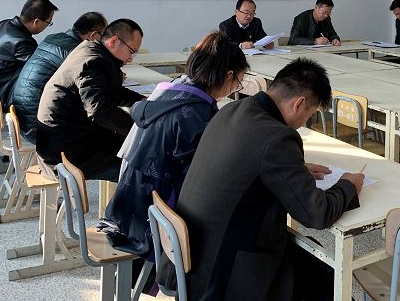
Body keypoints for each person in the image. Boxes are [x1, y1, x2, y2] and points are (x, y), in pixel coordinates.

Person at [160, 58, 362, 301]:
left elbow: (248, 163)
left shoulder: (232, 110)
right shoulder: (278, 137)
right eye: (309, 114)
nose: (304, 123)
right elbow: (317, 214)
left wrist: (294, 169)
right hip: (226, 276)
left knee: (312, 256)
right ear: (299, 104)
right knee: (327, 277)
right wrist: (348, 185)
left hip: (194, 263)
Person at [102, 31, 248, 257]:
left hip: (127, 208)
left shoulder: (172, 88)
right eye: (238, 82)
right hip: (154, 224)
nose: (235, 88)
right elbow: (203, 177)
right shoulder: (196, 113)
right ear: (228, 75)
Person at [35, 18, 145, 181]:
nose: (131, 58)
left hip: (66, 140)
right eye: (132, 52)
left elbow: (114, 92)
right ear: (114, 41)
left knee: (136, 144)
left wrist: (144, 101)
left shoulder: (91, 50)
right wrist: (139, 130)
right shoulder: (93, 61)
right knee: (146, 165)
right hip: (67, 156)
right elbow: (99, 110)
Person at [10, 12, 108, 143]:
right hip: (39, 128)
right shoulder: (76, 52)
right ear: (93, 35)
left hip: (24, 118)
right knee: (104, 130)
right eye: (103, 36)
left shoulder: (53, 38)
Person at [0, 0, 58, 109]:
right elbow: (40, 69)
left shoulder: (3, 24)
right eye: (49, 23)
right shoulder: (23, 41)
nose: (48, 26)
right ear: (36, 21)